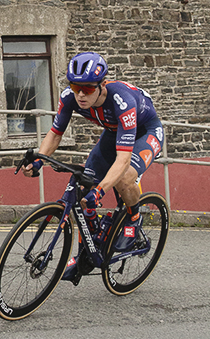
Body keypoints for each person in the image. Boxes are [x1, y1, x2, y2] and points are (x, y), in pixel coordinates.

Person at [23, 52, 164, 271]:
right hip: (113, 132)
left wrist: (100, 191)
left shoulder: (122, 101)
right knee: (83, 187)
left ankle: (134, 217)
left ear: (102, 85)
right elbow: (55, 133)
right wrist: (39, 161)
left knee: (124, 179)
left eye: (87, 89)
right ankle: (88, 252)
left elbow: (124, 159)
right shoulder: (69, 97)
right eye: (75, 86)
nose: (80, 94)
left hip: (146, 132)